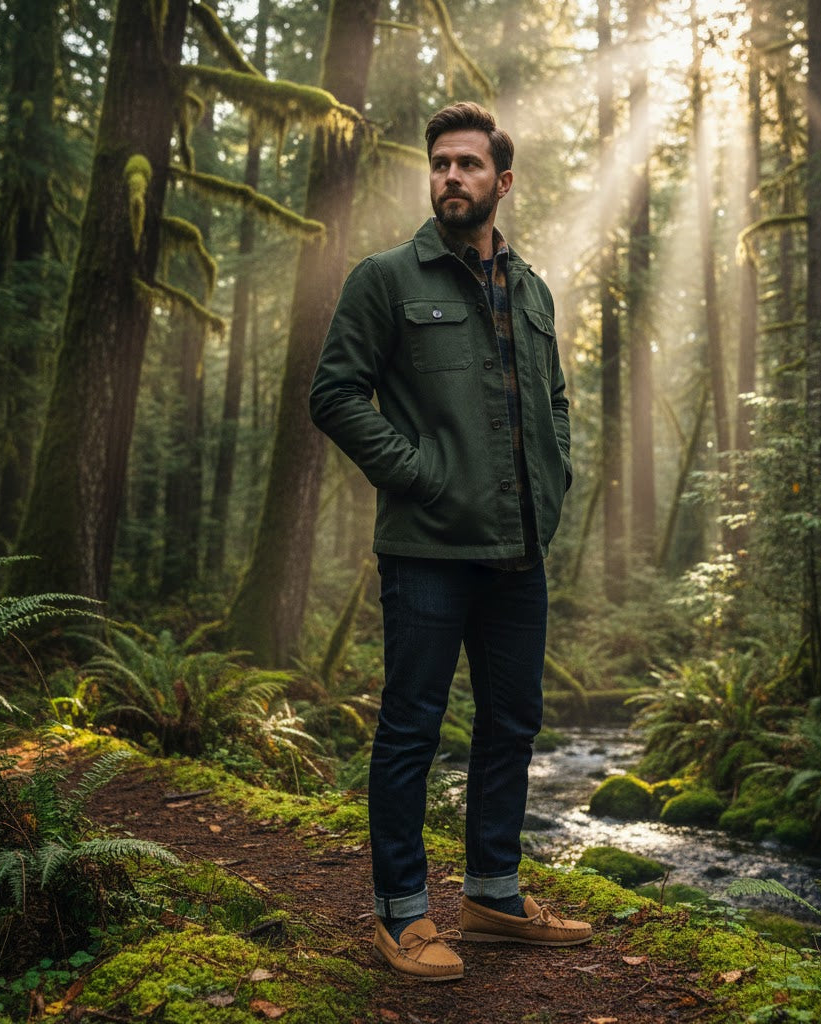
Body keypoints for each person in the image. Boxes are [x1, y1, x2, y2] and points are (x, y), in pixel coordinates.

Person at [309, 101, 591, 981]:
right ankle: (402, 916)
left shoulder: (533, 290)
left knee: (512, 724)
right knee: (410, 732)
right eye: (439, 164)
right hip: (427, 551)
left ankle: (494, 897)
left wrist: (552, 485)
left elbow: (552, 403)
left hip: (518, 555)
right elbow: (336, 395)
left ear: (501, 182)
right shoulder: (386, 279)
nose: (450, 178)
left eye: (468, 165)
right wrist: (423, 474)